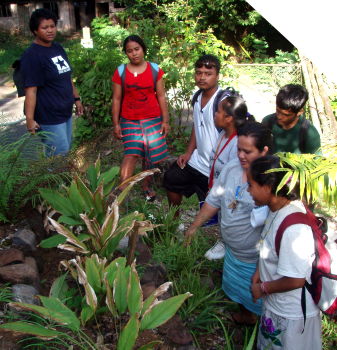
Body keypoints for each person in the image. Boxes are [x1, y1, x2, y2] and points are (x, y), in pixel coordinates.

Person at [185, 122, 273, 325]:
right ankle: (245, 316)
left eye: (248, 151)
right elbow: (214, 200)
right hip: (233, 252)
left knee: (259, 299)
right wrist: (194, 226)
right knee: (238, 292)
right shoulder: (232, 168)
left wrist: (262, 266)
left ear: (264, 151)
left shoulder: (270, 182)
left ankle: (258, 327)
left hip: (256, 260)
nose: (241, 155)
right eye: (239, 149)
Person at [249, 155, 321, 350]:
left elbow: (295, 280)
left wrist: (262, 288)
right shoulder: (276, 209)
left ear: (268, 187)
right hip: (276, 306)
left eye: (251, 185)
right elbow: (268, 246)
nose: (248, 191)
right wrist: (258, 274)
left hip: (291, 314)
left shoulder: (294, 229)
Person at [112, 35, 170, 200]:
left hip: (152, 118)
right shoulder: (121, 71)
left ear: (143, 49)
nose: (134, 54)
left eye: (137, 49)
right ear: (126, 53)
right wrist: (116, 123)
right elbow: (116, 99)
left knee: (150, 155)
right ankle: (122, 190)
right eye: (129, 51)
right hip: (129, 119)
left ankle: (146, 186)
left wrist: (165, 121)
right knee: (131, 153)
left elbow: (161, 96)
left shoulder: (154, 70)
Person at [163, 54, 222, 211]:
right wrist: (189, 152)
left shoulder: (223, 102)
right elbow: (198, 126)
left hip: (216, 169)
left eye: (208, 74)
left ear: (217, 76)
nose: (202, 77)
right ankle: (173, 222)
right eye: (198, 73)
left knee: (221, 211)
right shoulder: (197, 97)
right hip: (198, 161)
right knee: (171, 178)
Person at [21, 8, 83, 156]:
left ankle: (65, 179)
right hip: (49, 116)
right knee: (58, 157)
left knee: (65, 151)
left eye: (52, 26)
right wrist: (29, 119)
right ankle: (55, 180)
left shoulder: (57, 48)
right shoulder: (32, 56)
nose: (50, 30)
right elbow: (31, 90)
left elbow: (67, 77)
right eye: (44, 27)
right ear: (35, 30)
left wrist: (77, 99)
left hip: (65, 112)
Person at [204, 96, 254, 260]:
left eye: (218, 111)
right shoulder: (222, 136)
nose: (215, 115)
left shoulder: (236, 146)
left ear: (229, 118)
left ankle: (228, 245)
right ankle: (223, 240)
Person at [262, 84, 320, 154]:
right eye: (278, 111)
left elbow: (316, 161)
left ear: (299, 112)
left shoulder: (309, 133)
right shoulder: (268, 122)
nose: (279, 117)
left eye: (286, 115)